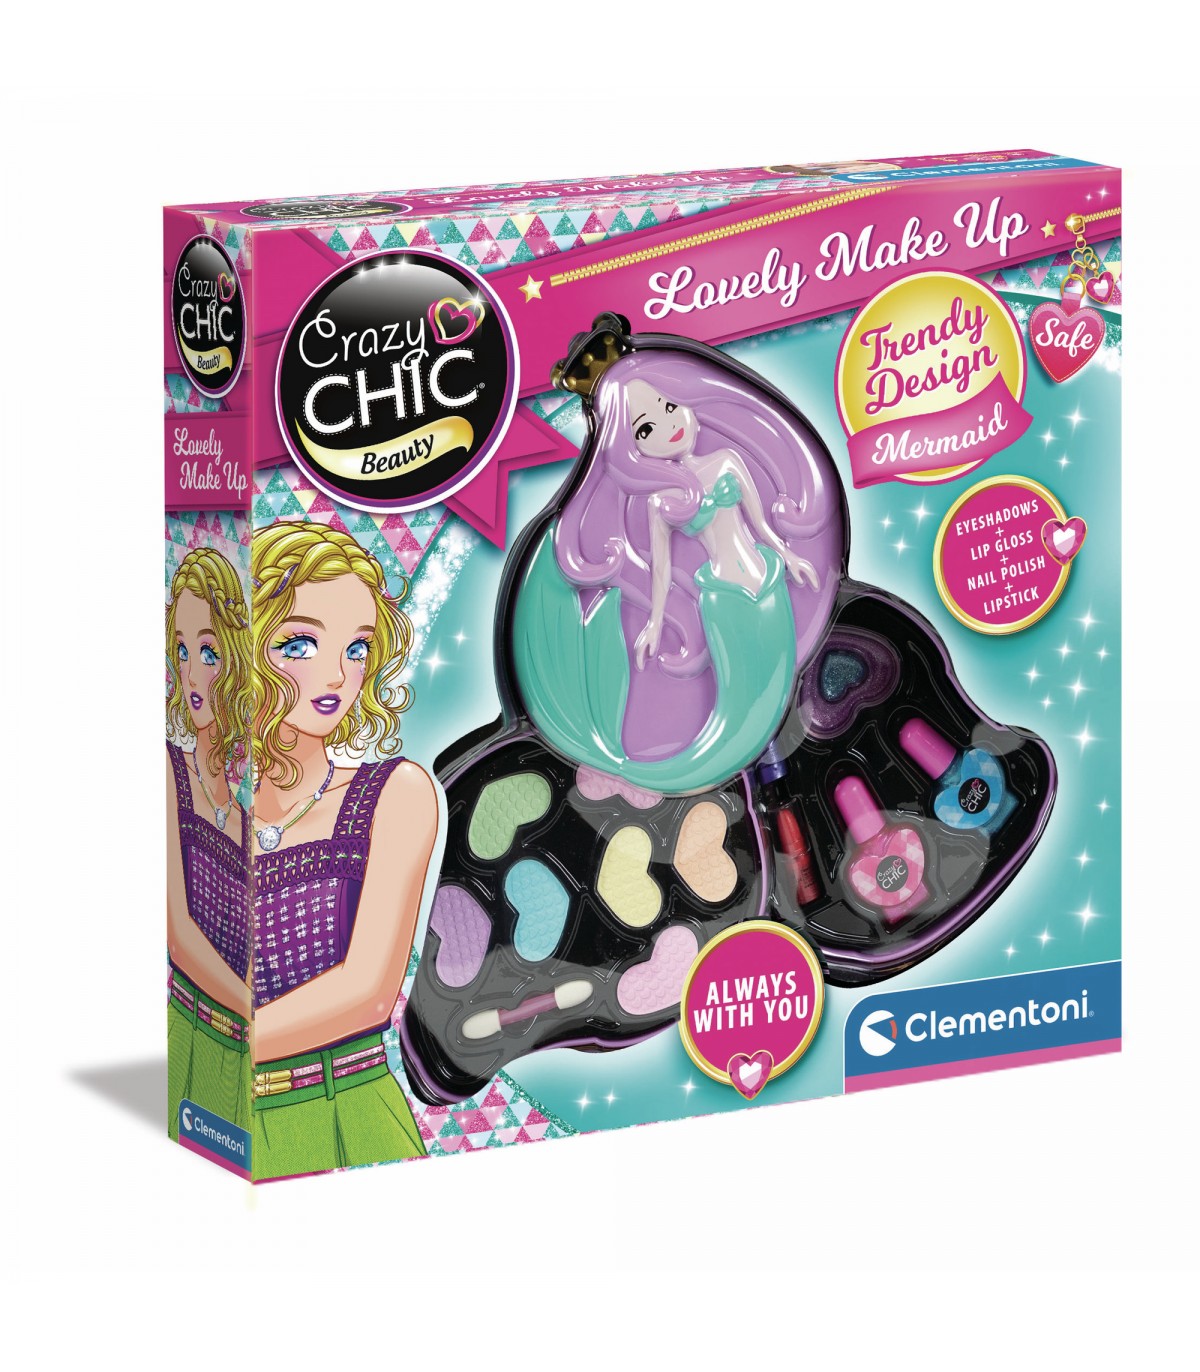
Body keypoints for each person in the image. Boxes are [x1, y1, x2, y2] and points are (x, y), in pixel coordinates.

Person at [512, 340, 846, 792]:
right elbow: (662, 572)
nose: (668, 426)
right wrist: (653, 622)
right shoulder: (662, 502)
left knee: (774, 689)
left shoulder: (726, 461)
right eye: (646, 428)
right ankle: (665, 768)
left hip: (766, 578)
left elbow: (761, 524)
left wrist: (789, 556)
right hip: (723, 597)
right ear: (631, 446)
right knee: (739, 706)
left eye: (669, 407)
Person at [249, 521, 437, 1178]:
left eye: (356, 648)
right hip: (218, 1108)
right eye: (301, 643)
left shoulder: (395, 794)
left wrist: (220, 1044)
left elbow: (367, 993)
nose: (336, 675)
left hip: (344, 1110)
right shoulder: (204, 802)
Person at [165, 547, 253, 1139]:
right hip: (193, 1030)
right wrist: (259, 1013)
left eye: (208, 651)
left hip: (248, 1055)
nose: (192, 675)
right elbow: (179, 934)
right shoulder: (169, 772)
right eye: (180, 649)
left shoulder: (250, 809)